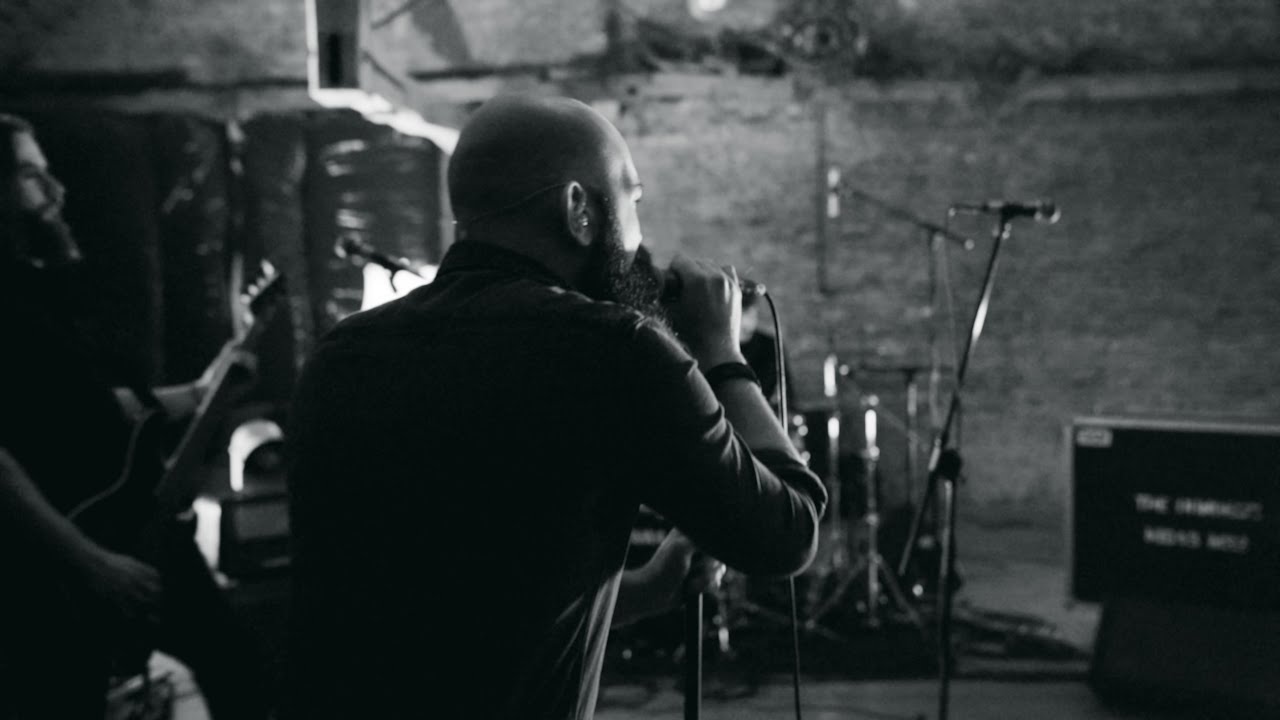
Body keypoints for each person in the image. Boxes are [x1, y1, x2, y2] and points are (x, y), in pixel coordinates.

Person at [284, 94, 827, 720]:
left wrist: (645, 591)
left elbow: (452, 601)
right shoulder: (614, 350)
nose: (640, 238)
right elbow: (786, 534)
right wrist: (722, 353)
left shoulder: (341, 356)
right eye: (633, 199)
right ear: (578, 209)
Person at [0, 113, 269, 719]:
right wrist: (90, 563)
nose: (55, 191)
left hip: (127, 528)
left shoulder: (38, 291)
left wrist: (201, 390)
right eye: (30, 175)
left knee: (237, 667)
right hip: (67, 556)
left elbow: (90, 407)